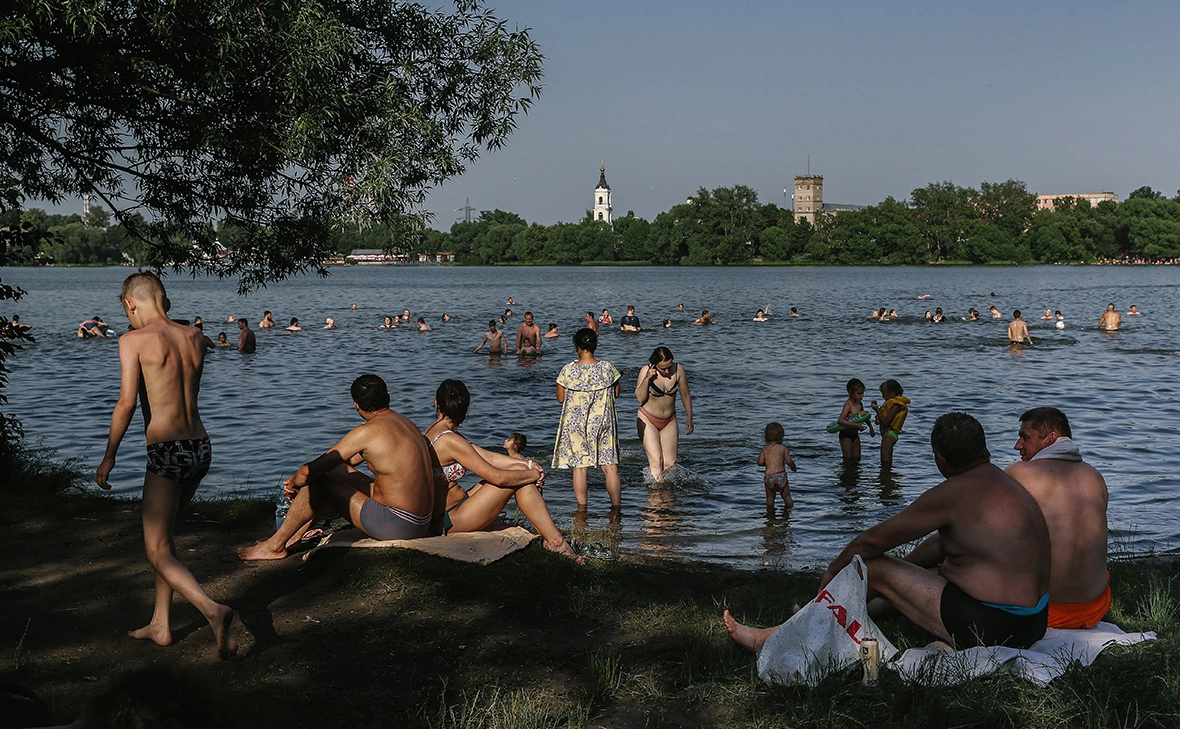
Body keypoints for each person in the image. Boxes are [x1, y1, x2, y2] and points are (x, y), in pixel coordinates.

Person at [726, 412, 1051, 652]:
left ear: (940, 460)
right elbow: (943, 543)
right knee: (921, 565)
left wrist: (833, 572)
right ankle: (849, 609)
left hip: (996, 627)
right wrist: (907, 570)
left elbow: (871, 542)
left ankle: (778, 637)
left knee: (871, 566)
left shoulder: (953, 492)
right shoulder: (1009, 483)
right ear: (983, 450)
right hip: (1033, 622)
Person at [95, 272, 237, 659]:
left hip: (167, 452)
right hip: (200, 447)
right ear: (165, 300)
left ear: (130, 304)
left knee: (155, 550)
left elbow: (126, 403)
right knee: (167, 539)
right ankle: (161, 623)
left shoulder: (132, 340)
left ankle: (212, 610)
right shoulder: (194, 337)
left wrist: (109, 456)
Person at [238, 374, 435, 560]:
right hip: (421, 522)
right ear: (388, 398)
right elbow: (340, 463)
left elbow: (311, 470)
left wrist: (294, 483)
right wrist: (307, 476)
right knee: (334, 472)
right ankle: (293, 538)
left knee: (320, 482)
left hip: (398, 524)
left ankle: (274, 546)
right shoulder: (406, 423)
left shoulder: (368, 432)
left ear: (356, 406)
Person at [425, 380, 582, 562]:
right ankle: (556, 542)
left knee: (517, 471)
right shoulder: (450, 440)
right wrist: (532, 475)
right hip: (449, 520)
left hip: (453, 510)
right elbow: (497, 478)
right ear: (466, 409)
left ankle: (552, 538)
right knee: (518, 480)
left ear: (437, 403)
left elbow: (489, 458)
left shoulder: (437, 432)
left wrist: (528, 465)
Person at [1005, 407, 1110, 629]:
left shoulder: (1018, 474)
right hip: (1093, 609)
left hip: (1045, 613)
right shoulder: (1095, 476)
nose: (1017, 446)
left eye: (1025, 437)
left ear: (1051, 439)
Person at [553, 328, 622, 508]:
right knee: (610, 466)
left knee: (580, 467)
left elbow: (560, 398)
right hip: (603, 421)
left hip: (576, 422)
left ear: (577, 347)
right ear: (595, 346)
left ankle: (582, 510)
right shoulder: (607, 368)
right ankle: (616, 509)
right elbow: (616, 393)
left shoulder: (568, 370)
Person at [634, 346, 694, 482]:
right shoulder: (646, 370)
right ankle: (655, 500)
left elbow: (685, 395)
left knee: (670, 464)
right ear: (655, 365)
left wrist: (689, 417)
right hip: (648, 418)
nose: (667, 371)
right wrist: (647, 378)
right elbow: (640, 398)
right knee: (656, 461)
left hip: (669, 420)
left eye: (669, 366)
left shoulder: (678, 369)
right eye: (663, 368)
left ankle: (667, 498)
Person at [871, 379, 910, 467]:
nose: (882, 396)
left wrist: (877, 410)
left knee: (885, 463)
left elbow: (885, 423)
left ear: (892, 394)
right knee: (885, 463)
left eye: (884, 394)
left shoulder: (896, 406)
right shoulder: (891, 404)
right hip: (887, 434)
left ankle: (886, 478)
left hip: (889, 435)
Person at [758, 422, 797, 509]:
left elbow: (760, 462)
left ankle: (770, 512)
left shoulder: (764, 449)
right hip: (780, 476)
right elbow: (789, 461)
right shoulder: (783, 449)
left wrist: (768, 462)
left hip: (769, 477)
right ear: (781, 436)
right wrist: (793, 467)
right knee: (786, 496)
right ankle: (790, 511)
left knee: (770, 497)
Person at [836, 378, 873, 461]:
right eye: (859, 393)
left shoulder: (859, 404)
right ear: (850, 392)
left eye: (863, 393)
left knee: (857, 459)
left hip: (855, 435)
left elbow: (863, 416)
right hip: (846, 436)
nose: (862, 396)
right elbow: (841, 420)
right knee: (848, 460)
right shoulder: (848, 404)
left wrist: (871, 427)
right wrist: (856, 426)